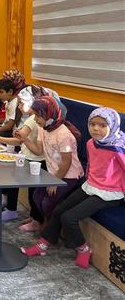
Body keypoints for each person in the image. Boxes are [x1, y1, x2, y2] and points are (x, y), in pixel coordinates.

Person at [21, 107, 125, 269]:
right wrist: (88, 181)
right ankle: (43, 245)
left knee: (69, 217)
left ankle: (83, 249)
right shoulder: (91, 143)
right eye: (92, 124)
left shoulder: (118, 149)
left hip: (109, 193)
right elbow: (92, 166)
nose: (96, 129)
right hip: (91, 185)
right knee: (58, 210)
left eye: (102, 125)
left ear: (112, 126)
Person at [0, 85, 48, 225]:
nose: (19, 106)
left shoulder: (32, 120)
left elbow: (20, 140)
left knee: (33, 193)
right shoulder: (32, 118)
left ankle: (31, 218)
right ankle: (29, 216)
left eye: (21, 103)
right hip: (28, 156)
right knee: (26, 188)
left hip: (34, 160)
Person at [15, 95, 84, 220]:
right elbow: (38, 151)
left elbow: (66, 163)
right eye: (34, 115)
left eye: (38, 116)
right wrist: (24, 139)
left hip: (69, 175)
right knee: (37, 196)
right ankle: (44, 222)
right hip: (53, 173)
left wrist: (55, 181)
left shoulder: (64, 135)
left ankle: (48, 226)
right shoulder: (43, 128)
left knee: (47, 202)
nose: (35, 119)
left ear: (50, 115)